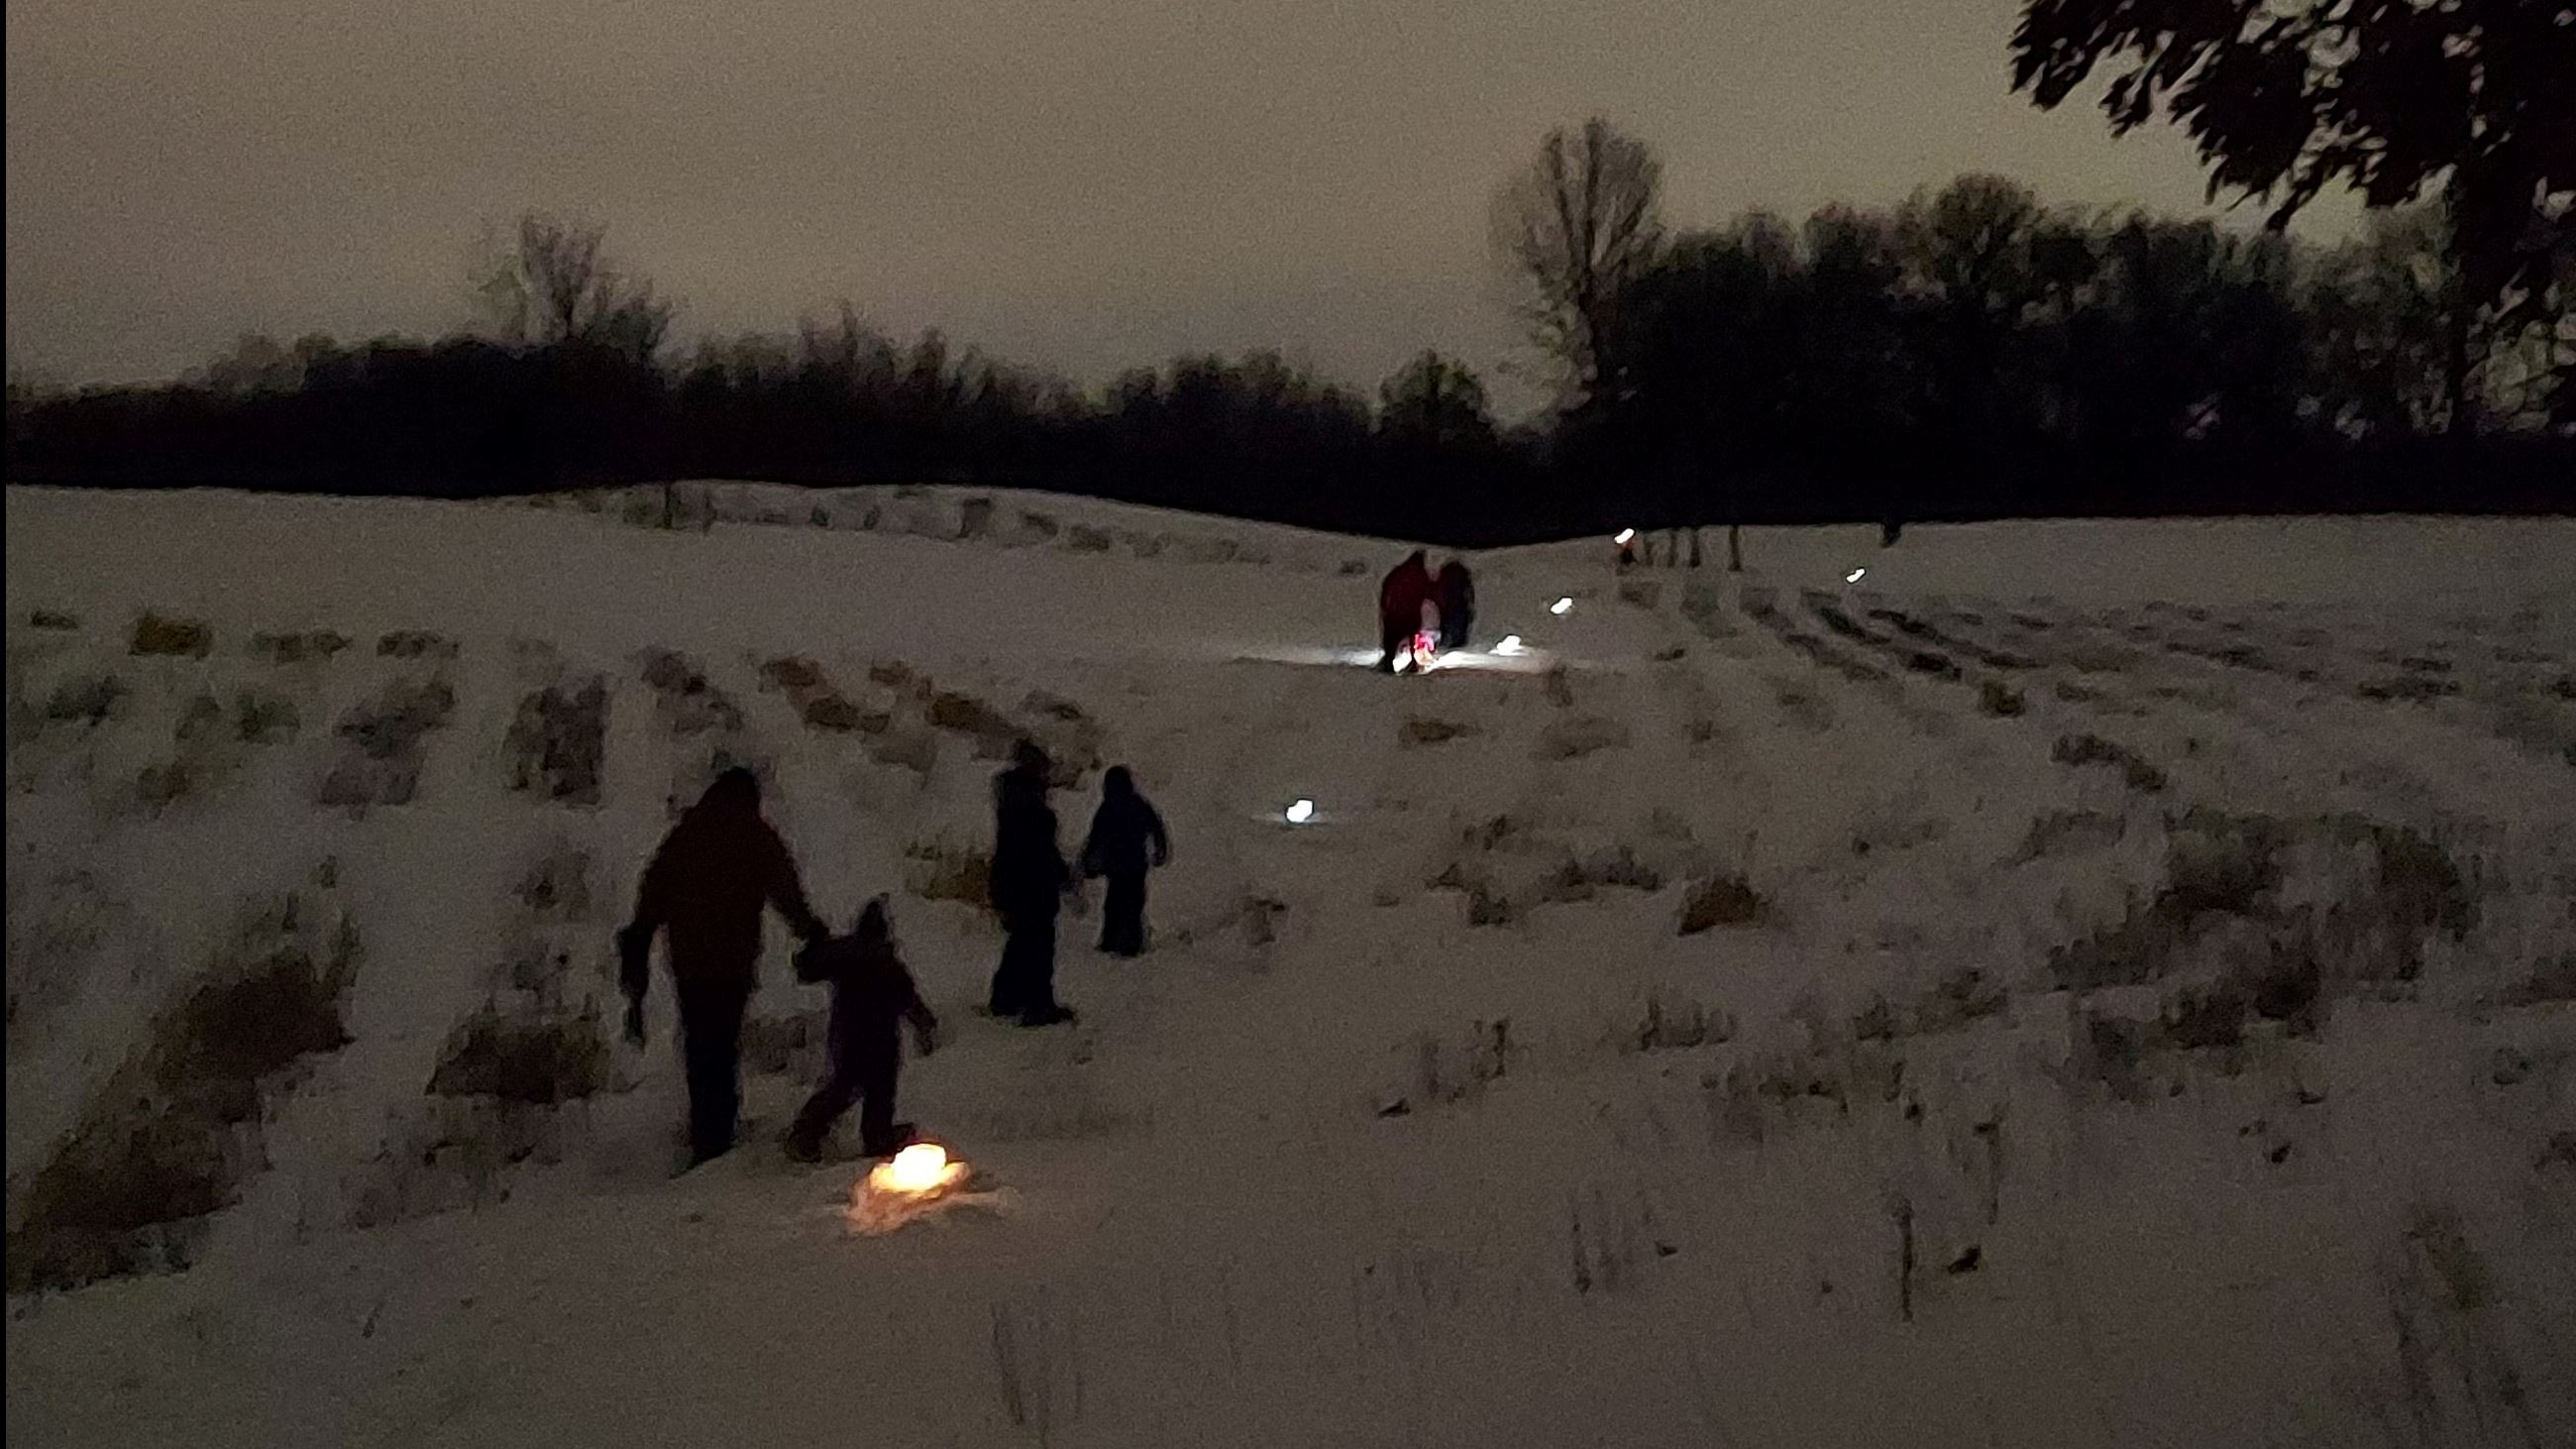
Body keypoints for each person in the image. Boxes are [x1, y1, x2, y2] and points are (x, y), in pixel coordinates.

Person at [618, 768, 825, 1168]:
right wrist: (812, 931)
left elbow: (651, 895)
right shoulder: (754, 834)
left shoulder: (686, 835)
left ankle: (706, 1134)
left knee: (700, 1046)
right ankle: (720, 1135)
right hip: (733, 963)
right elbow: (785, 891)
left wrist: (637, 949)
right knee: (724, 1044)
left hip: (690, 963)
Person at [783, 897, 940, 1163]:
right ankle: (876, 1135)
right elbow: (909, 1000)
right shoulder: (888, 964)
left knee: (845, 1085)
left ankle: (808, 1131)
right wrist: (925, 1025)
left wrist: (812, 945)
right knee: (880, 1089)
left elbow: (807, 967)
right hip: (881, 1038)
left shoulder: (845, 956)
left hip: (848, 1035)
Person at [989, 744, 1076, 1026]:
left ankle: (1005, 998)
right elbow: (1042, 853)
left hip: (1012, 885)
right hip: (1035, 889)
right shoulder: (1034, 810)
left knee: (1020, 942)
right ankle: (1037, 1005)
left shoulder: (1011, 804)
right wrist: (1063, 875)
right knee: (1038, 947)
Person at [1080, 766, 1171, 957]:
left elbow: (1095, 838)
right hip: (1135, 864)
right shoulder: (1137, 804)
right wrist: (1160, 850)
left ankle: (1111, 941)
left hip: (1115, 866)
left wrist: (1088, 863)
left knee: (1114, 903)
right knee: (1133, 904)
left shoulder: (1107, 808)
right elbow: (1156, 828)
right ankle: (1133, 943)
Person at [1376, 549, 1433, 672]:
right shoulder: (1421, 574)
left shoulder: (1399, 570)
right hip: (1412, 614)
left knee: (1391, 639)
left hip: (1395, 612)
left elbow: (1386, 585)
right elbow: (1428, 592)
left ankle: (1388, 663)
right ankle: (1413, 664)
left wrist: (1385, 605)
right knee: (1412, 640)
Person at [1434, 559, 1475, 652]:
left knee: (1452, 625)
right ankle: (1455, 643)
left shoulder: (1446, 577)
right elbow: (1468, 594)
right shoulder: (1462, 577)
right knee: (1457, 626)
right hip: (1459, 606)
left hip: (1451, 607)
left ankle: (1449, 644)